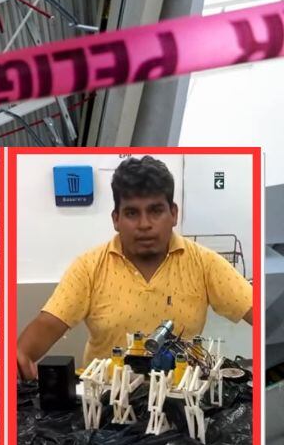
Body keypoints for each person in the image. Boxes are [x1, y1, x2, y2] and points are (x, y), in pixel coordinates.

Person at [16, 156, 252, 380]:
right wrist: (19, 358)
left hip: (181, 393)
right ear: (116, 219)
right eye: (131, 213)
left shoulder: (204, 263)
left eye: (155, 211)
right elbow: (40, 334)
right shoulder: (88, 268)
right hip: (106, 399)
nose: (144, 224)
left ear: (173, 214)